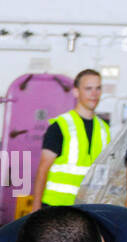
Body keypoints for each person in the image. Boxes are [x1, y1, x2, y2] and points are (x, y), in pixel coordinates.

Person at [32, 69, 109, 208]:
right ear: (76, 92)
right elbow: (43, 169)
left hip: (89, 207)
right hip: (56, 206)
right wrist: (36, 208)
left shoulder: (104, 130)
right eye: (88, 89)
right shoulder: (60, 126)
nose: (94, 94)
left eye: (98, 88)